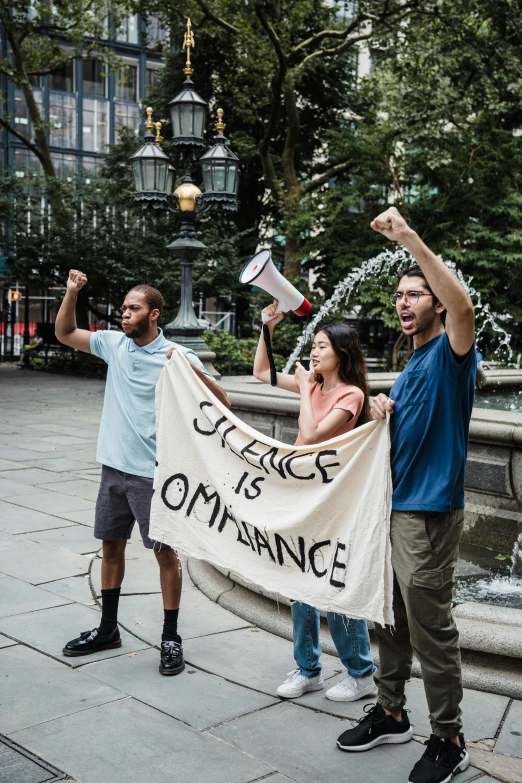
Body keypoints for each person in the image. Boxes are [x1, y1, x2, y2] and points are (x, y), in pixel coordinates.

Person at [336, 207, 475, 783]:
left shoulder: (452, 354)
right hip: (391, 509)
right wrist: (377, 409)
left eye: (415, 294)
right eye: (398, 294)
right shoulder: (415, 362)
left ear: (436, 304)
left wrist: (409, 239)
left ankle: (449, 738)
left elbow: (464, 307)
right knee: (387, 617)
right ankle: (391, 711)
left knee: (429, 625)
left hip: (429, 510)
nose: (403, 301)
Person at [55, 270, 230, 676]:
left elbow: (221, 400)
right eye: (124, 309)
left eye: (133, 309)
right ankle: (107, 629)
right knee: (111, 548)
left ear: (155, 314)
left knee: (165, 554)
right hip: (113, 469)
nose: (125, 315)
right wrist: (71, 293)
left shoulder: (177, 356)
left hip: (153, 475)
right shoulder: (114, 344)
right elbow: (66, 332)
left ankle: (171, 637)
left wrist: (192, 372)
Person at [254, 309, 377, 702]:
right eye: (312, 346)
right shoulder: (314, 386)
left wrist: (307, 388)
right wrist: (266, 329)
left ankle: (361, 674)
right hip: (301, 496)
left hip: (334, 502)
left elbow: (311, 433)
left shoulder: (350, 394)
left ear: (341, 352)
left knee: (334, 584)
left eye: (321, 346)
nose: (313, 353)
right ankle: (308, 669)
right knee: (299, 583)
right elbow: (261, 373)